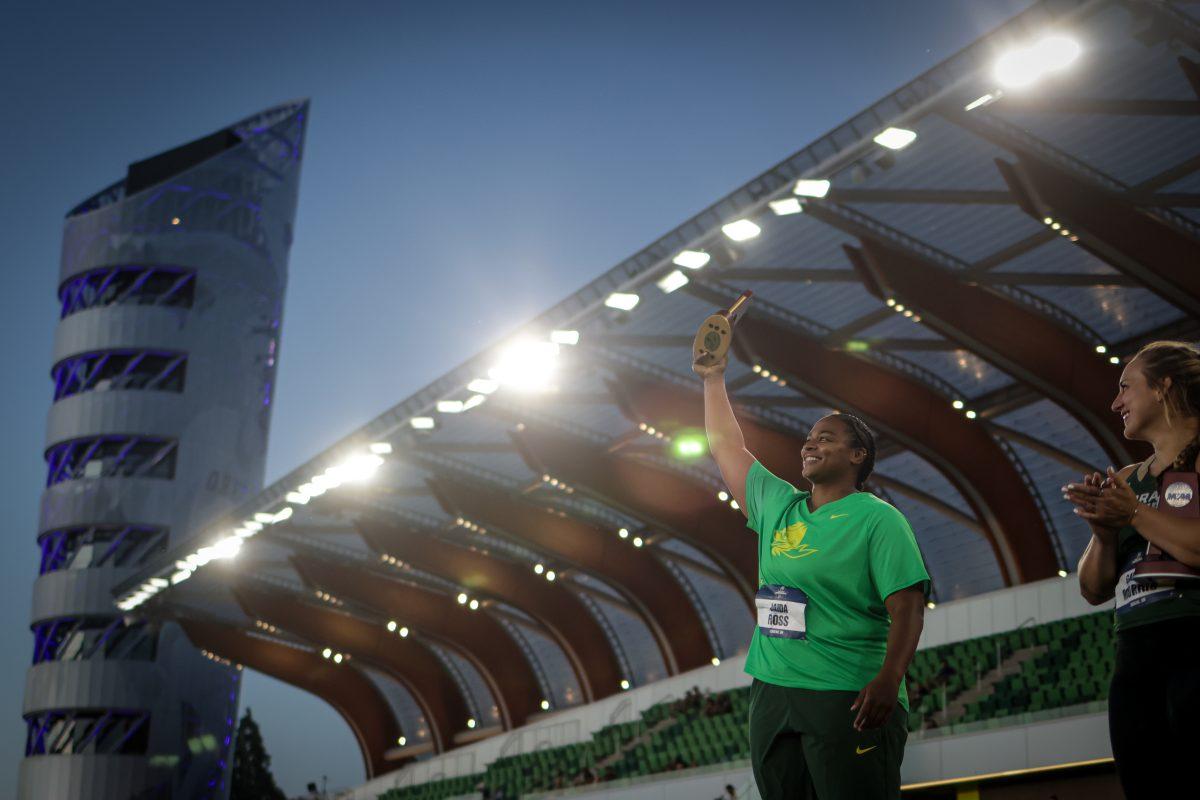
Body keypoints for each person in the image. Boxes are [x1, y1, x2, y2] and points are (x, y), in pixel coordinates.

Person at [695, 352, 929, 800]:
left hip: (847, 692)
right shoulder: (778, 505)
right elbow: (727, 445)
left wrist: (890, 678)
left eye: (825, 438)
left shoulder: (878, 519)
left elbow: (908, 606)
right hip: (773, 693)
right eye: (808, 438)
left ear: (858, 455)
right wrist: (713, 377)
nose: (809, 444)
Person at [1067, 341, 1200, 799]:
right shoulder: (1126, 480)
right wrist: (1104, 533)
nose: (1115, 402)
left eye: (1126, 387)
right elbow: (1091, 588)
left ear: (1163, 387)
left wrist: (1132, 516)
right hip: (1135, 653)